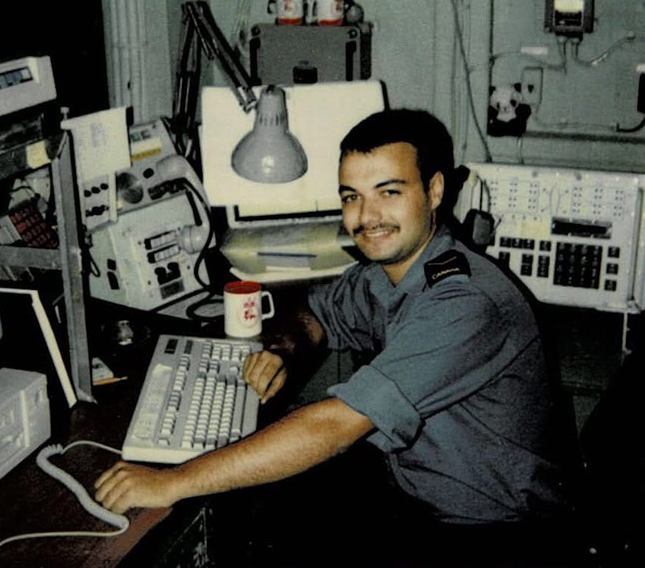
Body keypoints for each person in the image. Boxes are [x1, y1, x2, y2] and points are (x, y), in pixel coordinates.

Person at [95, 109, 578, 566]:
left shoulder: (464, 303)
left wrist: (173, 482)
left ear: (434, 191)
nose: (366, 217)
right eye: (352, 196)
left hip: (490, 533)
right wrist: (282, 350)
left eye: (388, 192)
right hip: (414, 490)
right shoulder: (394, 271)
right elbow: (314, 310)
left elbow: (332, 426)